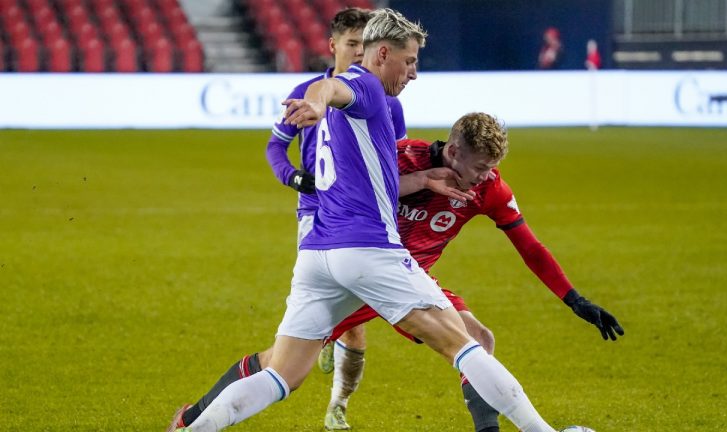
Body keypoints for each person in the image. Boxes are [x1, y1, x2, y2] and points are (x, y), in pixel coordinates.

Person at [172, 8, 608, 432]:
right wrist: (319, 102)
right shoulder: (363, 88)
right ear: (382, 54)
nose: (414, 72)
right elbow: (333, 91)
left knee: (282, 373)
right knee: (464, 343)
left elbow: (356, 144)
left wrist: (421, 178)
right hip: (368, 249)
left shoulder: (363, 98)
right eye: (411, 59)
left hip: (318, 252)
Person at [166, 8, 470, 430]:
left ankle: (336, 408)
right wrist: (294, 177)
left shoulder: (385, 101)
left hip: (366, 222)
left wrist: (421, 181)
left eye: (364, 44)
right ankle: (200, 415)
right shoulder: (309, 91)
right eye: (351, 44)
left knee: (339, 336)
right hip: (317, 218)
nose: (358, 51)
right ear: (334, 46)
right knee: (291, 354)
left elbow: (391, 166)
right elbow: (276, 147)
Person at [317, 112, 624, 432]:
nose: (485, 177)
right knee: (285, 367)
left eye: (491, 168)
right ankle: (326, 347)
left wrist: (575, 300)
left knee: (479, 338)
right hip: (355, 278)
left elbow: (530, 248)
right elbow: (339, 193)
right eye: (480, 167)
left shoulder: (489, 189)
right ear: (452, 153)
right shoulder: (402, 158)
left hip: (411, 281)